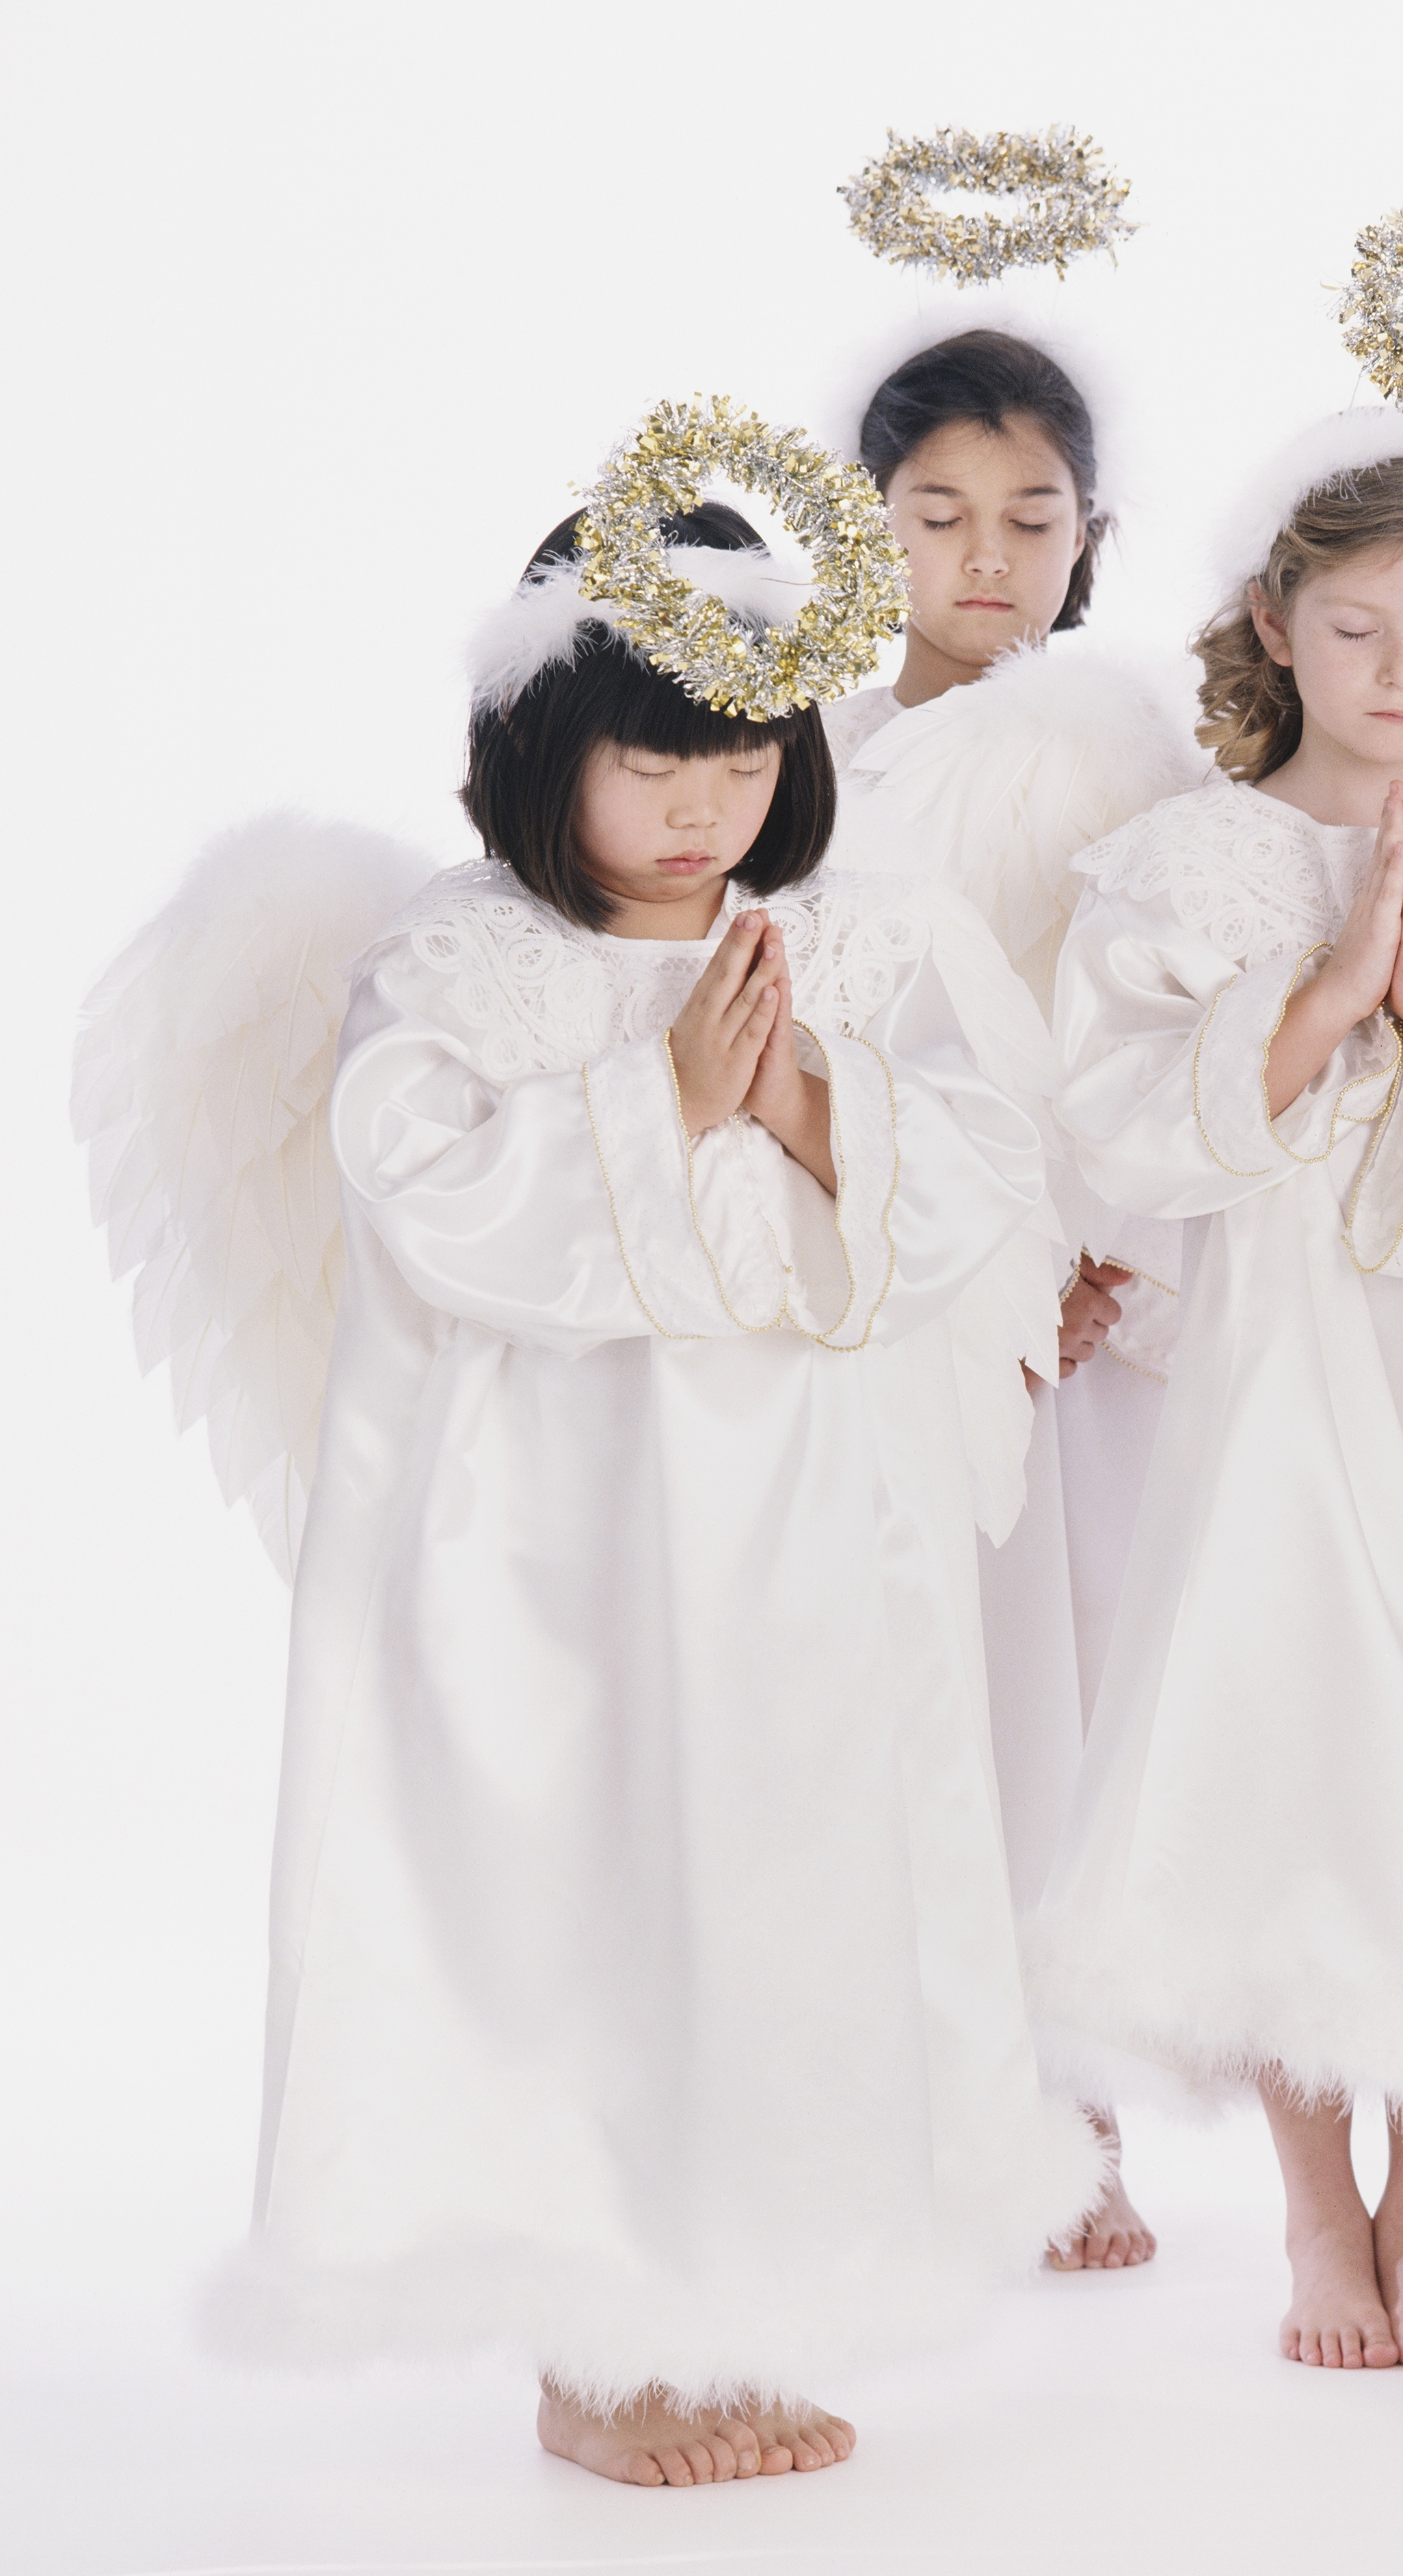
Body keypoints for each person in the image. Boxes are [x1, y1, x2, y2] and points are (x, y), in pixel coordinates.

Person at [77, 498, 1092, 2484]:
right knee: (588, 1903)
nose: (702, 804)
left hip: (802, 1524)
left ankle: (730, 2307)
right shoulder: (462, 966)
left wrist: (808, 1095)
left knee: (775, 1896)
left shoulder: (844, 942)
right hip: (553, 1543)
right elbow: (435, 1204)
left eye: (739, 754)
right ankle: (592, 2351)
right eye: (653, 758)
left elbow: (972, 1180)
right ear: (547, 753)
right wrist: (665, 1107)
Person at [1030, 428, 1403, 2372]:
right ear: (1276, 625)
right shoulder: (1186, 862)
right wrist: (1321, 993)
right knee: (1294, 1745)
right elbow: (1115, 1124)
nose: (1399, 675)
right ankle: (1308, 2214)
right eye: (1355, 627)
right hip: (1278, 1364)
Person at [823, 323, 1195, 2272]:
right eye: (936, 514)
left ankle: (1085, 2111)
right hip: (901, 1285)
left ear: (1089, 535)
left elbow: (1166, 1008)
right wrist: (946, 1259)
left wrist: (1107, 1252)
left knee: (1096, 1683)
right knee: (926, 1683)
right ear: (866, 529)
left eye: (1029, 517)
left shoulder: (1147, 756)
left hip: (1102, 1294)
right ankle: (915, 2098)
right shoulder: (808, 761)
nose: (984, 555)